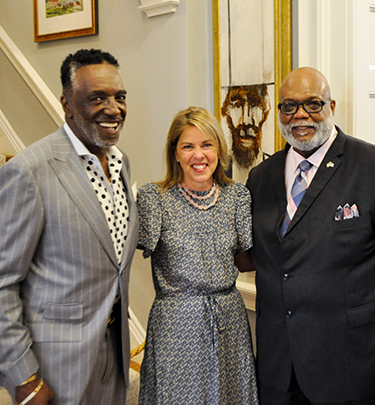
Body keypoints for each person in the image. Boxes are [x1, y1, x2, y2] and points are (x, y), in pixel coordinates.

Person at [246, 67, 375, 405]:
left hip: (353, 363)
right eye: (289, 106)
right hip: (280, 367)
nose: (300, 115)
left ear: (331, 106)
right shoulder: (261, 178)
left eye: (313, 104)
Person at [0, 49, 139, 405]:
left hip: (113, 353)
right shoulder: (30, 171)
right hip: (55, 365)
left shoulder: (121, 165)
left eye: (119, 97)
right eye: (97, 98)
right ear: (67, 104)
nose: (114, 108)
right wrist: (23, 376)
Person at [137, 106, 259, 404]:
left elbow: (247, 259)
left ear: (219, 149)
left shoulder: (238, 197)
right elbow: (126, 251)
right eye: (188, 146)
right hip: (176, 322)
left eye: (207, 145)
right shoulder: (155, 198)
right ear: (175, 153)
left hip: (229, 318)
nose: (199, 155)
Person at [221, 84, 271, 182]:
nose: (246, 120)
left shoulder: (276, 170)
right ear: (226, 112)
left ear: (265, 113)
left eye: (254, 105)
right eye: (237, 105)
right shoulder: (217, 172)